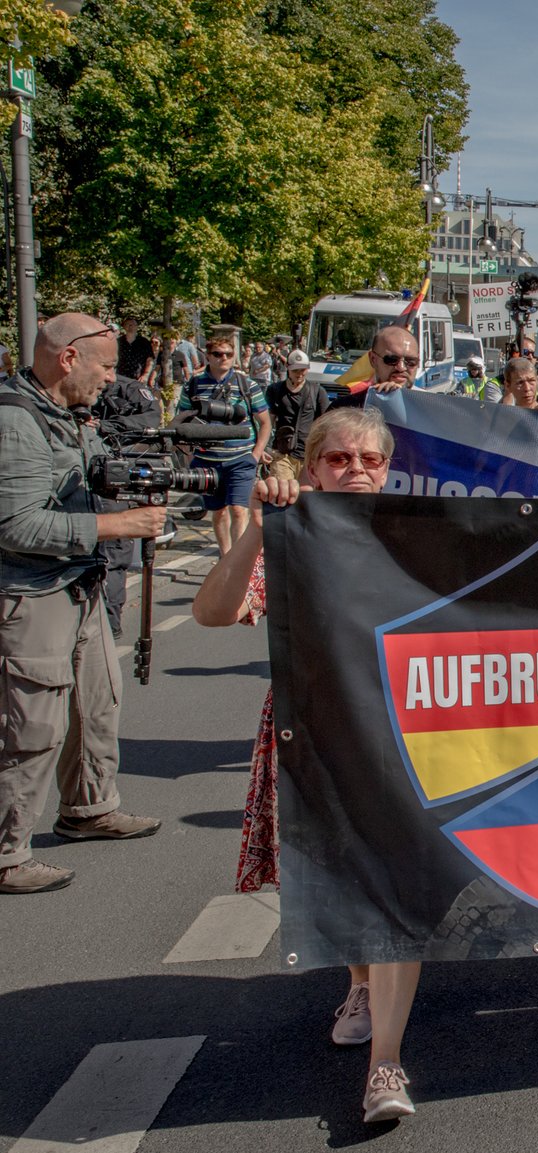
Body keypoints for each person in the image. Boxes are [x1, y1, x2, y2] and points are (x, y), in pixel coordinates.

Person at [191, 408, 426, 1121]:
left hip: (400, 738)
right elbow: (213, 611)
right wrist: (261, 526)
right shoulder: (290, 537)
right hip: (312, 735)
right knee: (339, 876)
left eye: (371, 460)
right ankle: (358, 981)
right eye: (340, 458)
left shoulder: (419, 535)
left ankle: (386, 1063)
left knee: (394, 893)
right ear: (312, 465)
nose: (357, 470)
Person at [0, 315, 166, 894]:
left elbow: (92, 477)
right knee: (30, 726)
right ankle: (6, 852)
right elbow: (16, 525)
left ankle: (88, 809)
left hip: (79, 585)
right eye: (104, 365)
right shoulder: (15, 422)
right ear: (68, 359)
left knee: (96, 706)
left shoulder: (66, 416)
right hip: (30, 593)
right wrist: (116, 523)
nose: (110, 377)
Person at [177, 336, 272, 555]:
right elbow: (181, 422)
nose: (224, 358)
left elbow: (265, 422)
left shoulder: (247, 384)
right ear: (208, 356)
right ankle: (225, 555)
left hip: (240, 459)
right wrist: (190, 456)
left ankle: (236, 559)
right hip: (207, 460)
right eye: (218, 354)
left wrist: (255, 455)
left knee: (239, 510)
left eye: (229, 354)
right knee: (218, 512)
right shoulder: (193, 385)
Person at [90, 370, 165, 638]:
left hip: (117, 481)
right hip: (82, 483)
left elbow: (151, 418)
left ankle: (109, 625)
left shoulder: (131, 390)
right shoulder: (73, 390)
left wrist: (105, 426)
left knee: (113, 553)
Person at [264, 350, 328, 482]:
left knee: (306, 496)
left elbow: (326, 423)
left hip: (309, 454)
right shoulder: (274, 390)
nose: (299, 374)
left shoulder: (317, 391)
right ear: (288, 368)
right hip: (282, 452)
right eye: (295, 370)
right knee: (283, 494)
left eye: (303, 370)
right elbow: (267, 422)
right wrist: (266, 447)